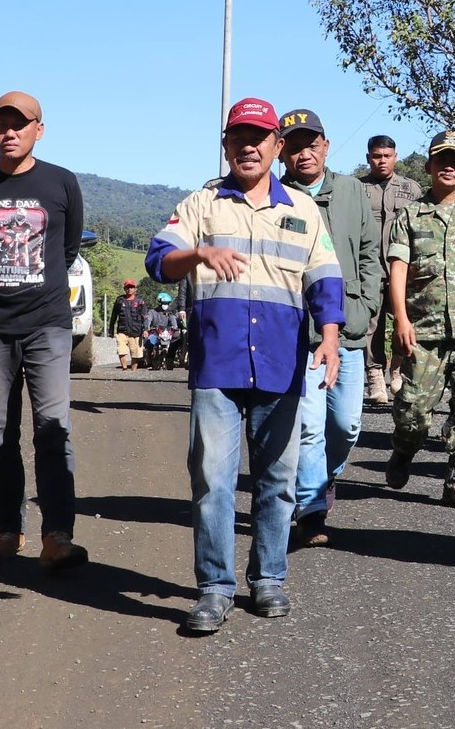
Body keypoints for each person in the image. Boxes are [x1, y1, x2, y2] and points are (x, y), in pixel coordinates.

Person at [146, 96, 343, 634]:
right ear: (226, 145)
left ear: (277, 146)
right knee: (212, 479)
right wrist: (199, 254)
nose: (249, 146)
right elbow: (159, 259)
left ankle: (269, 578)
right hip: (218, 364)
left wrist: (329, 337)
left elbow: (325, 278)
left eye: (259, 138)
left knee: (277, 479)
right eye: (239, 137)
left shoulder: (303, 210)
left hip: (281, 364)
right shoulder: (202, 204)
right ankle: (214, 587)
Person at [0, 91, 88, 570]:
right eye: (1, 124)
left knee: (53, 429)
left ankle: (57, 535)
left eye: (19, 124)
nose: (9, 132)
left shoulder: (61, 182)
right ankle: (8, 529)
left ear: (38, 130)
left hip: (46, 324)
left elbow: (67, 250)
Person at [278, 108, 382, 547]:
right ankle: (311, 510)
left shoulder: (353, 190)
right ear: (280, 152)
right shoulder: (275, 196)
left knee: (347, 425)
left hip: (350, 327)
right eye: (294, 146)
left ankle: (325, 476)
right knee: (309, 427)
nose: (304, 153)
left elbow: (370, 252)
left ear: (326, 145)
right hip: (300, 332)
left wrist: (367, 306)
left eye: (312, 144)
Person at [385, 130, 455, 510]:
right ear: (429, 166)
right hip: (425, 330)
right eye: (441, 160)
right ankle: (404, 448)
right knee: (414, 412)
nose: (448, 167)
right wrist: (401, 320)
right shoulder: (410, 216)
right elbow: (398, 270)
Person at [360, 134, 422, 404]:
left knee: (403, 319)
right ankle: (375, 375)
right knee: (371, 325)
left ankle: (397, 368)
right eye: (376, 156)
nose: (382, 161)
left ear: (395, 157)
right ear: (368, 158)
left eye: (387, 156)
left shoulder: (412, 189)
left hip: (402, 270)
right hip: (369, 268)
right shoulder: (357, 188)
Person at [108, 279, 149, 370]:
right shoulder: (120, 300)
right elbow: (114, 316)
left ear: (135, 289)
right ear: (124, 289)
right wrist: (111, 329)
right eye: (127, 287)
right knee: (121, 350)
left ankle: (133, 372)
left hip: (136, 331)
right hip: (122, 330)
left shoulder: (140, 301)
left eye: (131, 287)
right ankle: (125, 368)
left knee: (135, 354)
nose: (129, 289)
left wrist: (145, 329)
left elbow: (145, 316)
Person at [144, 291, 180, 369]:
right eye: (163, 303)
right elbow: (148, 320)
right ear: (160, 303)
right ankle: (149, 361)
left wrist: (175, 327)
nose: (165, 305)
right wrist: (147, 328)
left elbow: (173, 321)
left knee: (176, 341)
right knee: (149, 342)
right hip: (155, 333)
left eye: (167, 303)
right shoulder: (152, 312)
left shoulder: (170, 313)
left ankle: (175, 358)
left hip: (167, 333)